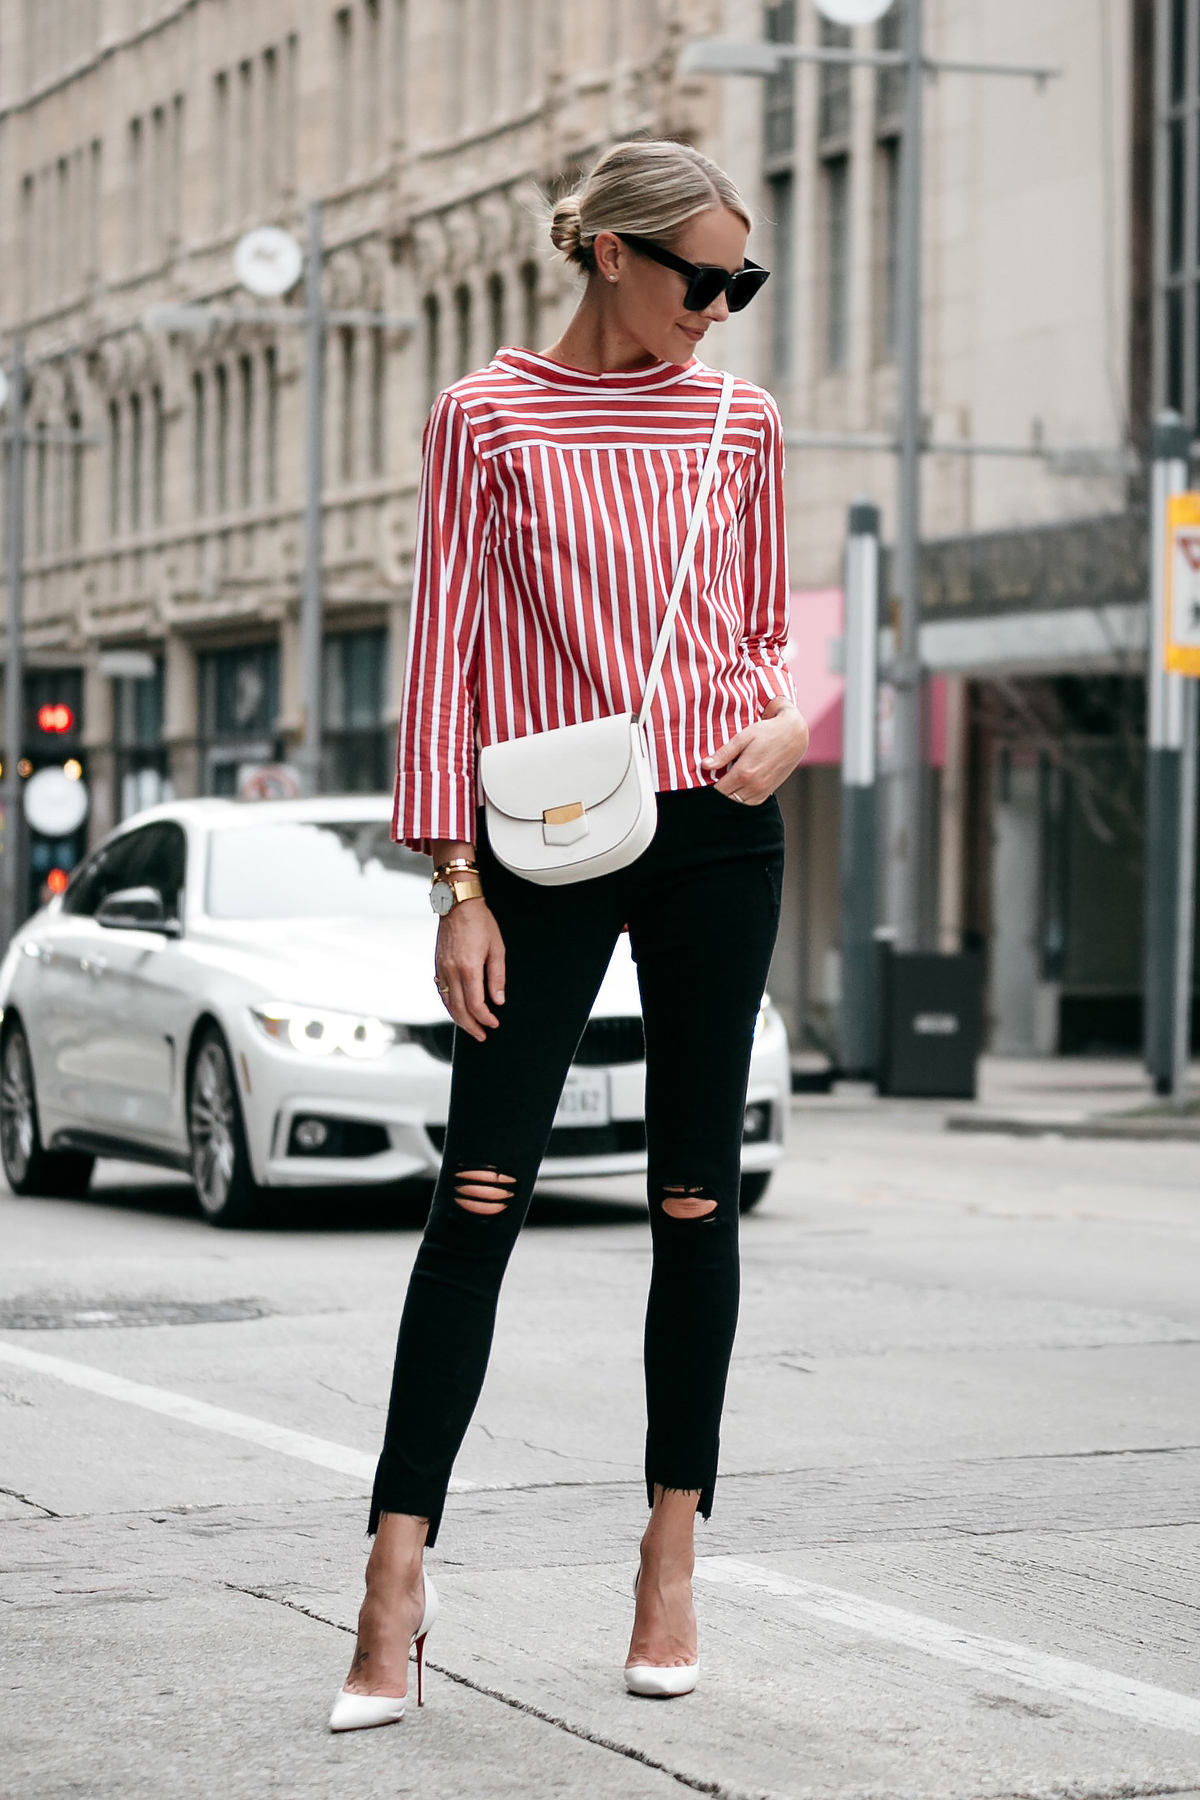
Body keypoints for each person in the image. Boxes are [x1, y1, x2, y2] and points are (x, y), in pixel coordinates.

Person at [330, 137, 810, 1733]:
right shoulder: (486, 414)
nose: (722, 309)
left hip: (717, 834)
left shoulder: (741, 422)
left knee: (692, 1197)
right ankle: (395, 1575)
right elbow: (447, 652)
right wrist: (455, 886)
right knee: (479, 1197)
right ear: (611, 253)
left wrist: (787, 725)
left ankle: (672, 1549)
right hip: (544, 844)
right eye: (703, 278)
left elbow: (754, 637)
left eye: (742, 282)